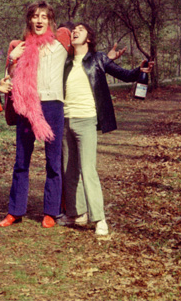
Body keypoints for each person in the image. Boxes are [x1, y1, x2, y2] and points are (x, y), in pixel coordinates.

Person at [59, 22, 154, 235]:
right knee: (69, 170)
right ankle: (77, 213)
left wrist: (140, 71)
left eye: (80, 29)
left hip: (86, 120)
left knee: (88, 170)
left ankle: (99, 218)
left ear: (89, 38)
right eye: (74, 29)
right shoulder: (65, 62)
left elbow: (124, 75)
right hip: (66, 121)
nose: (75, 31)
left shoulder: (98, 59)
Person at [0, 1, 72, 229]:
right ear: (29, 20)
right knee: (21, 160)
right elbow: (10, 77)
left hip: (52, 106)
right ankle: (15, 211)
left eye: (44, 16)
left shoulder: (60, 44)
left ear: (50, 20)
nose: (39, 20)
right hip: (27, 106)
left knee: (53, 161)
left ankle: (51, 211)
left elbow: (75, 40)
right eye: (35, 16)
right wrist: (12, 58)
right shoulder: (19, 47)